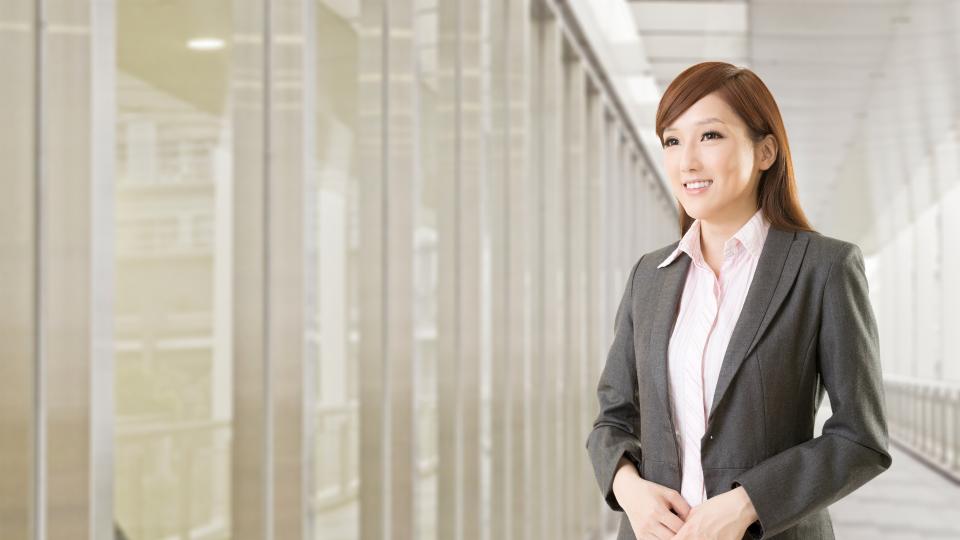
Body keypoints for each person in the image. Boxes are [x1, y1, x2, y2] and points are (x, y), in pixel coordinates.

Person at [585, 61, 892, 540]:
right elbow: (613, 417)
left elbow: (861, 438)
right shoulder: (650, 275)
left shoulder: (824, 268)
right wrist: (630, 489)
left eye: (709, 136)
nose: (687, 161)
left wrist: (749, 502)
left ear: (765, 150)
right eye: (671, 140)